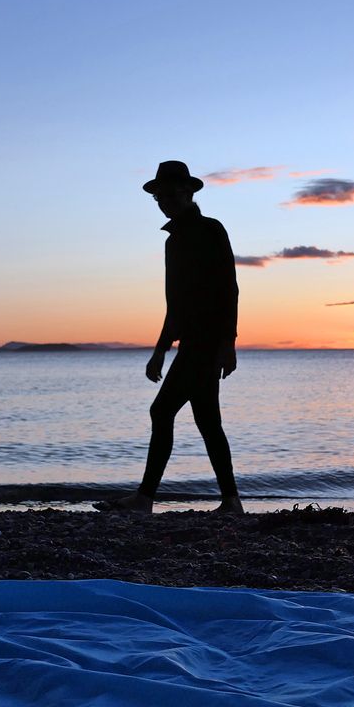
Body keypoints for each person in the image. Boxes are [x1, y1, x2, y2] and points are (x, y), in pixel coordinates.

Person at [95, 161, 243, 514]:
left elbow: (229, 289)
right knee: (208, 422)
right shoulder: (174, 242)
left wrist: (228, 342)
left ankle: (145, 499)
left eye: (171, 194)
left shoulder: (211, 230)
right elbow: (174, 303)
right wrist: (161, 349)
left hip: (207, 342)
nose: (165, 201)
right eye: (160, 196)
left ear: (188, 193)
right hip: (191, 342)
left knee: (162, 411)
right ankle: (231, 501)